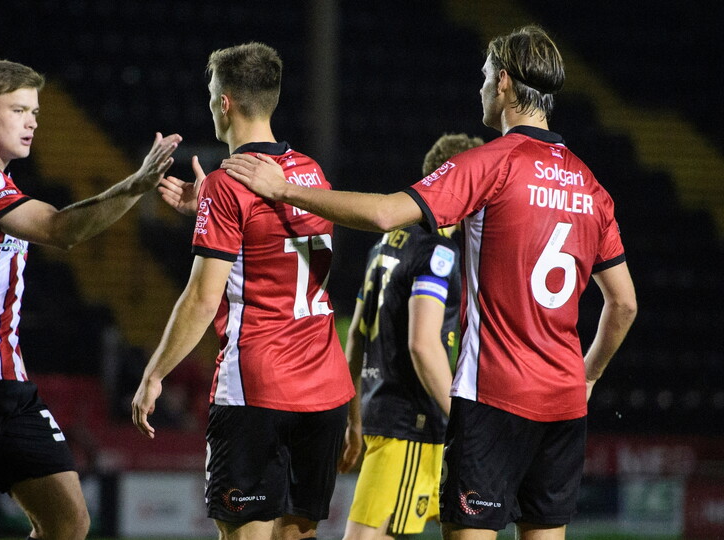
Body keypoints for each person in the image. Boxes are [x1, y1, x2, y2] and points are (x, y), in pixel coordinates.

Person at [223, 25, 637, 540]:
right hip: (563, 407)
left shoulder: (492, 163)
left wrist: (283, 189)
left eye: (485, 77)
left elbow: (383, 215)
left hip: (493, 400)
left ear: (505, 83)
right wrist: (588, 376)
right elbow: (622, 306)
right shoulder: (591, 186)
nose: (481, 87)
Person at [0, 59, 180, 540]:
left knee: (68, 521)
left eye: (35, 110)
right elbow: (61, 230)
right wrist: (135, 185)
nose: (33, 120)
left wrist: (136, 189)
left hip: (7, 380)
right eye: (20, 109)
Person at [130, 42, 354, 540]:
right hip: (324, 389)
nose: (210, 102)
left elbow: (201, 297)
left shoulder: (227, 185)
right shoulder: (310, 174)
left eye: (212, 93)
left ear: (225, 102)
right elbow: (283, 253)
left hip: (259, 389)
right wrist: (208, 213)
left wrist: (154, 373)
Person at [339, 134, 483, 540]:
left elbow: (355, 339)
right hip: (413, 422)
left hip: (382, 414)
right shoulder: (439, 251)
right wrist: (464, 421)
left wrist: (354, 421)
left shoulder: (386, 243)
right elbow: (423, 344)